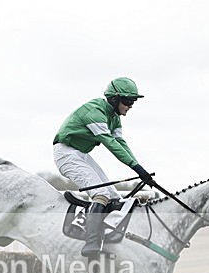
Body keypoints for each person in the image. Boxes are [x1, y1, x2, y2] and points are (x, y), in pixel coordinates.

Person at [53, 77, 154, 256]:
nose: (130, 105)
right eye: (127, 101)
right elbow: (110, 143)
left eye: (133, 102)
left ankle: (107, 237)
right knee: (101, 194)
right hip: (66, 154)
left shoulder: (114, 118)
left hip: (81, 154)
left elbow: (121, 143)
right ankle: (91, 244)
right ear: (114, 99)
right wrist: (137, 169)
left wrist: (140, 169)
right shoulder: (95, 112)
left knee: (114, 196)